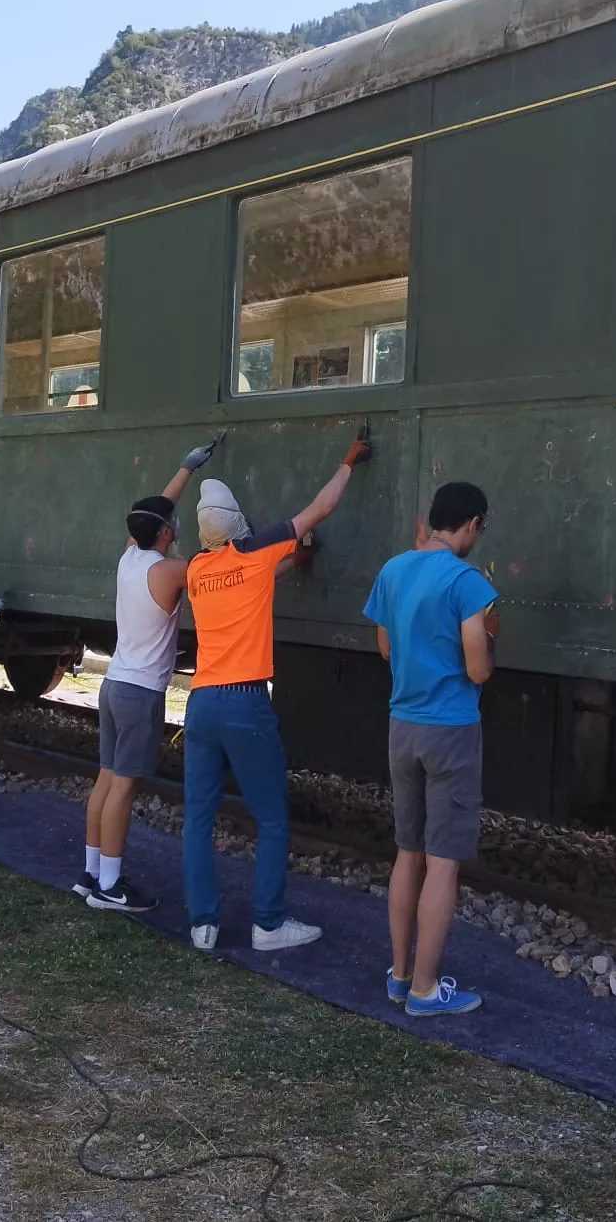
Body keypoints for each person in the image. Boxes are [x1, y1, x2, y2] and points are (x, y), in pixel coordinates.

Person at [182, 425, 373, 952]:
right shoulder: (255, 550)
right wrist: (348, 461)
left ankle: (203, 925)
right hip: (244, 702)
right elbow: (320, 508)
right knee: (269, 816)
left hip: (200, 704)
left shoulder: (198, 569)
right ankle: (267, 924)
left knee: (197, 817)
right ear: (239, 524)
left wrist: (293, 562)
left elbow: (250, 580)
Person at [78, 429, 228, 912]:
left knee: (105, 780)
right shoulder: (171, 570)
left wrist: (186, 469)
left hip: (113, 685)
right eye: (173, 523)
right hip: (141, 693)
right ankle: (112, 886)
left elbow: (154, 510)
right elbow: (221, 565)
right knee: (123, 786)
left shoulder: (131, 557)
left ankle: (92, 873)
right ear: (166, 532)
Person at [365, 482, 496, 1016]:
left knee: (407, 854)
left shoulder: (394, 570)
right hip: (451, 731)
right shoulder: (468, 583)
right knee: (442, 866)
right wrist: (489, 642)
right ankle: (425, 989)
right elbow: (477, 667)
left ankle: (399, 975)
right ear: (471, 526)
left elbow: (385, 647)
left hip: (403, 725)